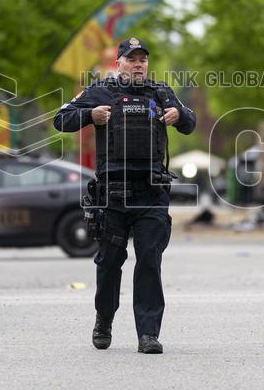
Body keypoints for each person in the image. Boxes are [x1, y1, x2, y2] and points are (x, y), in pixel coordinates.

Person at [53, 37, 196, 354]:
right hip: (113, 196)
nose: (138, 64)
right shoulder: (100, 91)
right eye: (131, 59)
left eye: (142, 59)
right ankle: (103, 320)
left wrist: (179, 116)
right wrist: (91, 116)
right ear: (118, 63)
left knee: (149, 260)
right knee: (109, 263)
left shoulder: (161, 93)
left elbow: (191, 122)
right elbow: (60, 118)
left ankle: (148, 334)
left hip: (150, 193)